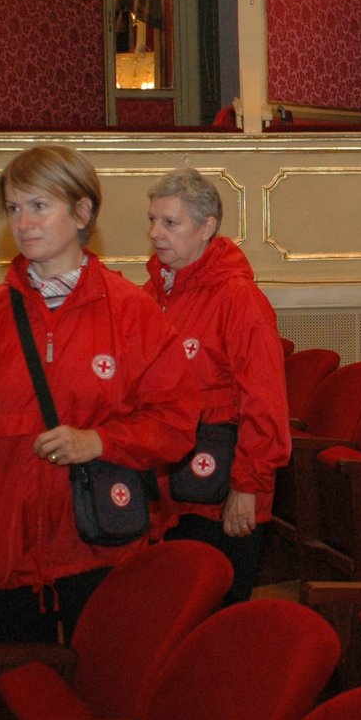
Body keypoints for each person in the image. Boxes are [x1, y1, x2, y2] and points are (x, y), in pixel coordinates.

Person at [0, 144, 197, 645]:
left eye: (39, 206)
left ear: (82, 212)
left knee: (101, 705)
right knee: (20, 701)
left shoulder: (132, 313)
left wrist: (99, 442)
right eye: (14, 208)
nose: (24, 223)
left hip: (103, 548)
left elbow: (175, 425)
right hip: (10, 556)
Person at [143, 168, 290, 606]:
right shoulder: (151, 296)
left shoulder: (238, 300)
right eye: (152, 220)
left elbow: (264, 403)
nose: (155, 233)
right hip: (168, 491)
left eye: (170, 223)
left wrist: (248, 488)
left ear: (206, 228)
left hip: (222, 491)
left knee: (214, 619)